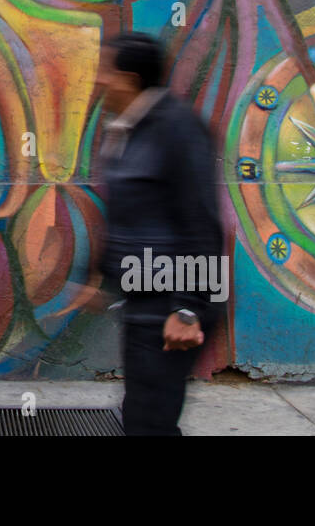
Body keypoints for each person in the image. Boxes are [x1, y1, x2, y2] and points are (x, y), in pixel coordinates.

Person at [94, 32, 225, 436]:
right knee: (145, 415)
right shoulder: (127, 127)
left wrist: (188, 309)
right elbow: (128, 215)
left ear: (129, 79)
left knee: (148, 421)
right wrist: (99, 276)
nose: (97, 79)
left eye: (105, 71)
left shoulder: (177, 130)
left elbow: (201, 222)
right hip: (143, 297)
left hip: (171, 301)